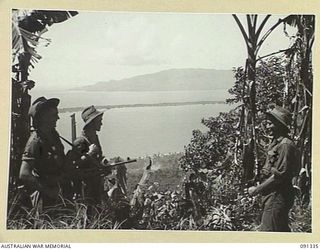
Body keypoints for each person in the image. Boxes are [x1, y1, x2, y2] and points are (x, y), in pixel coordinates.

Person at [247, 105, 300, 232]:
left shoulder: (285, 145)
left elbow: (279, 176)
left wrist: (256, 190)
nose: (268, 126)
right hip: (272, 195)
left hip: (277, 196)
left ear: (280, 126)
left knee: (269, 233)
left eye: (271, 124)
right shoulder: (277, 143)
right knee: (279, 230)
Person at [19, 97, 65, 210]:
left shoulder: (53, 135)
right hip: (45, 200)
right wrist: (48, 191)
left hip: (59, 193)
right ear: (44, 117)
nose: (58, 118)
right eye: (54, 115)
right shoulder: (35, 142)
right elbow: (24, 174)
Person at [71, 105, 109, 207]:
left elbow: (98, 158)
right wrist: (89, 154)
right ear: (92, 122)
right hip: (86, 189)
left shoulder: (94, 137)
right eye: (99, 120)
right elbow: (72, 165)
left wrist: (104, 163)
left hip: (96, 185)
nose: (101, 123)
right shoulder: (81, 141)